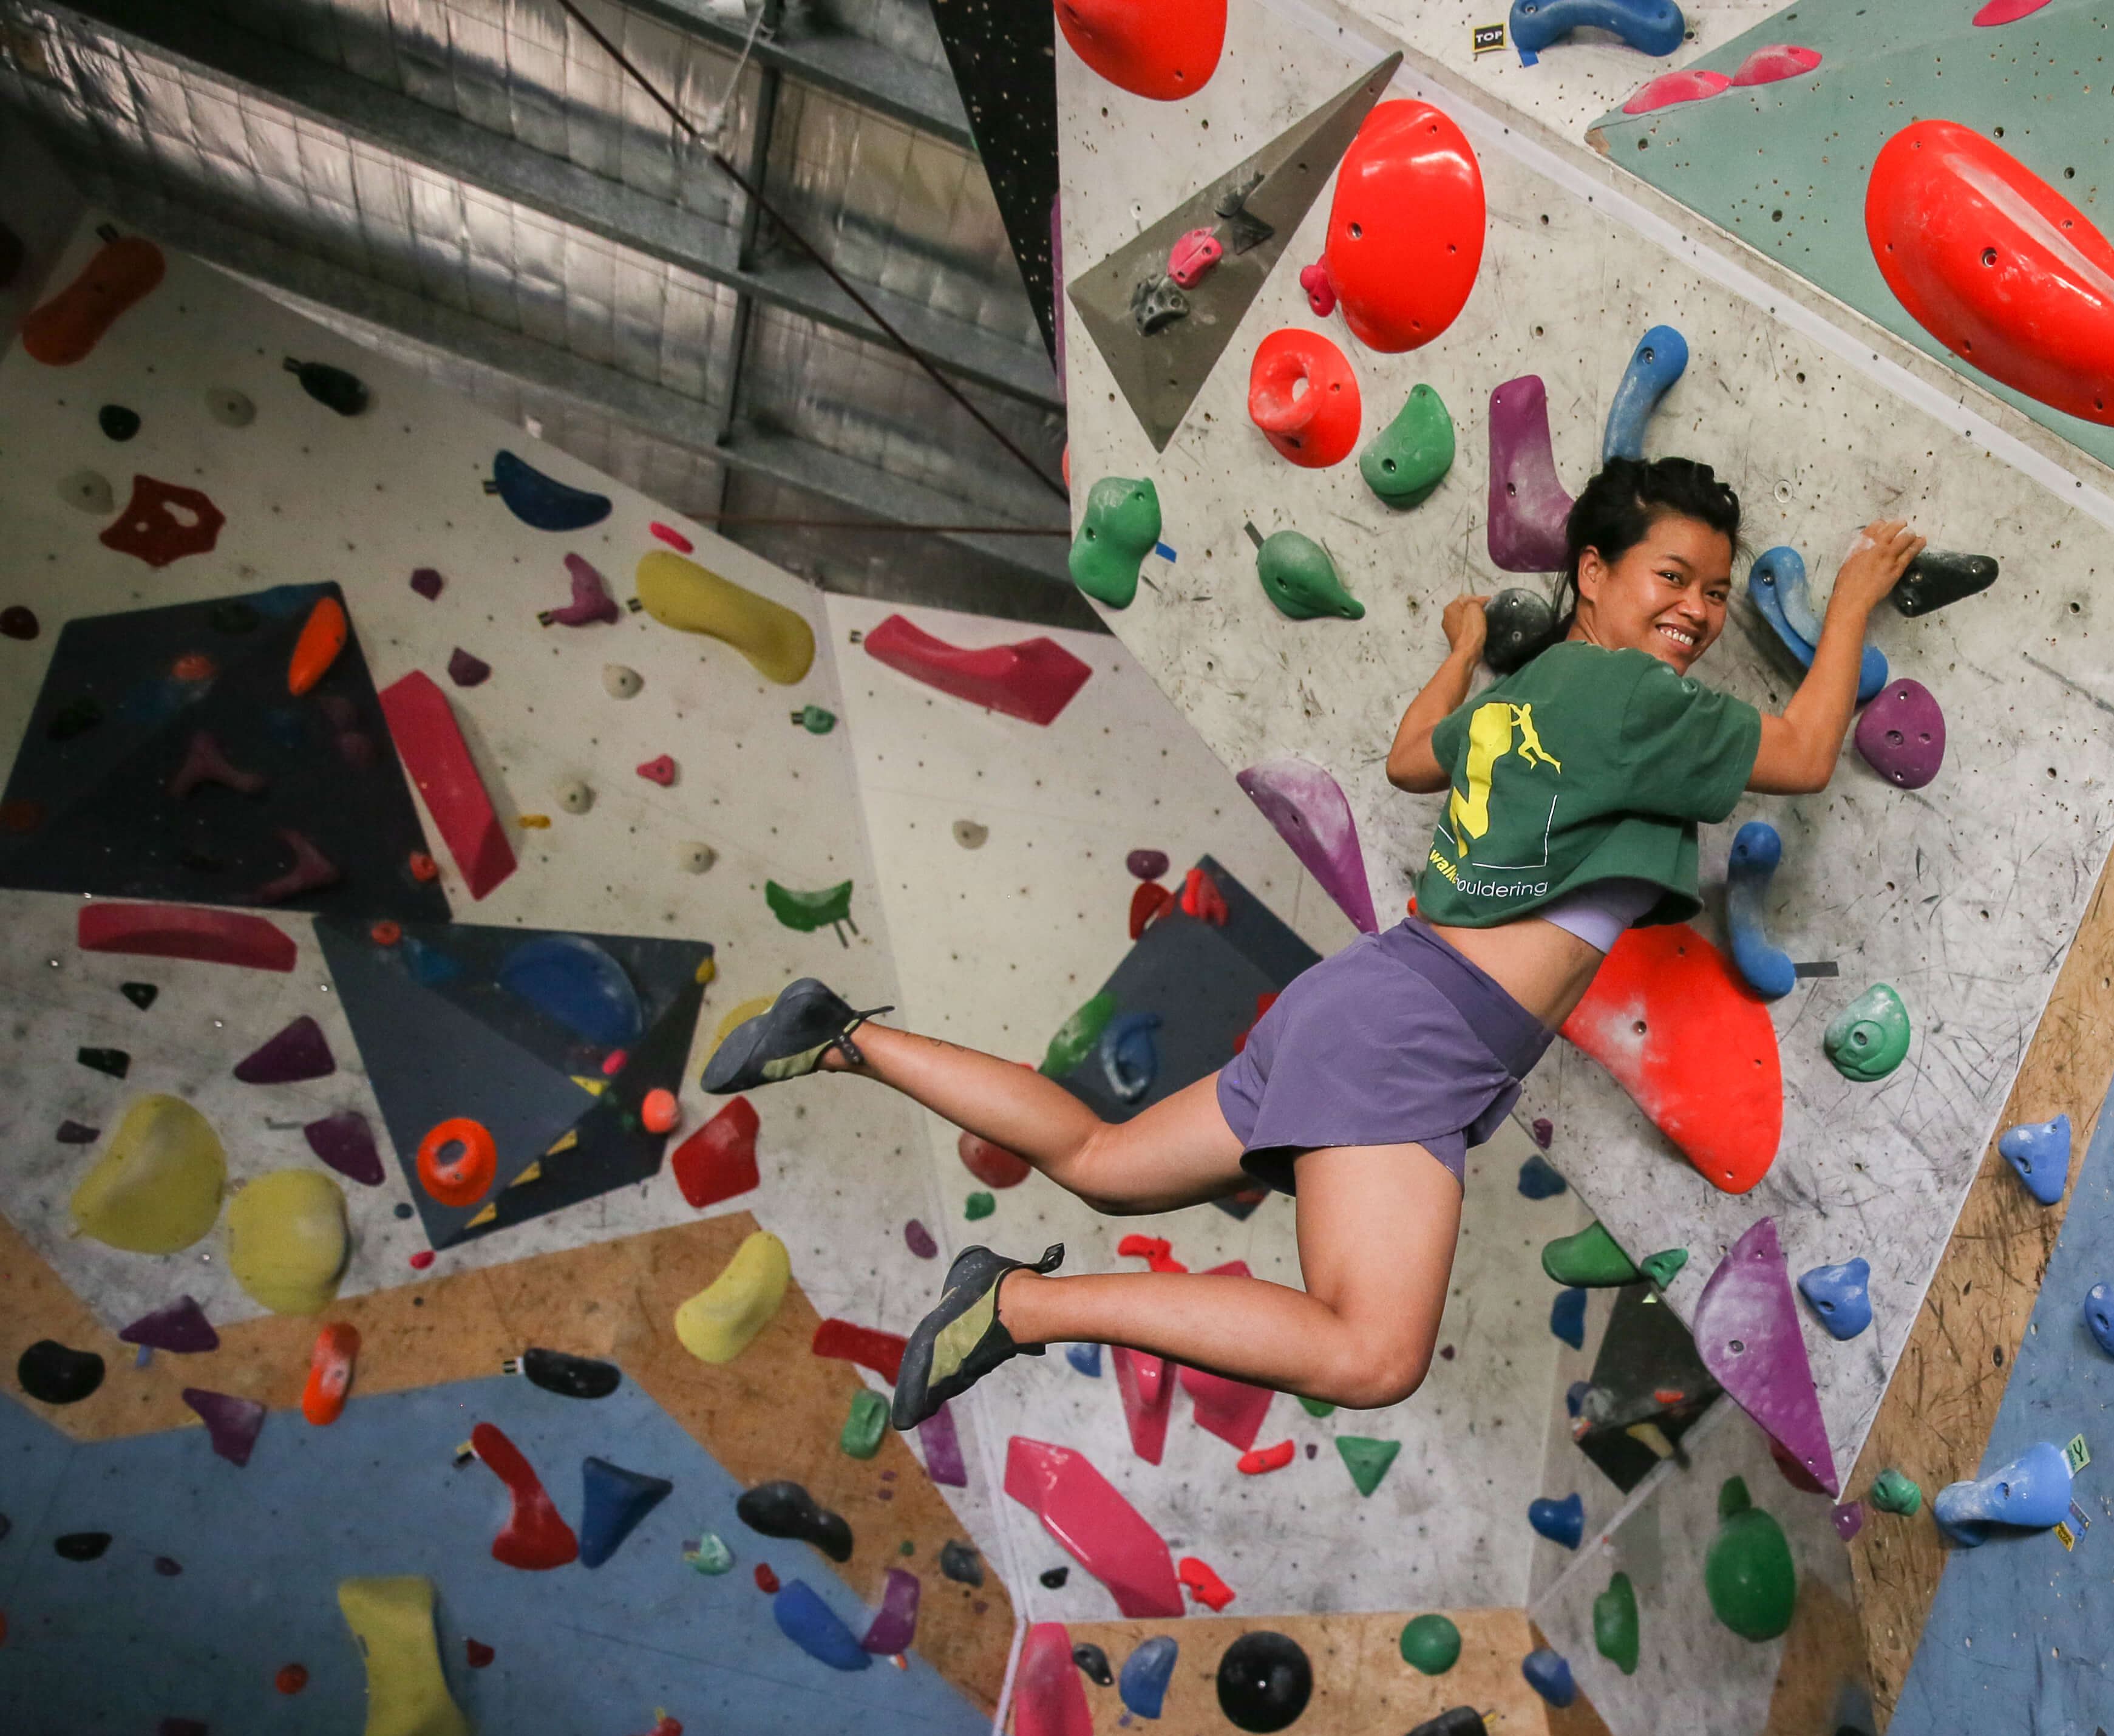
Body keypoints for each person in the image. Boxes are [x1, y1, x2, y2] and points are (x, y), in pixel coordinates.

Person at [696, 455, 1922, 1432]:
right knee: (1370, 1355)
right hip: (1414, 1036)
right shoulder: (1641, 701)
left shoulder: (1525, 697)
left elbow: (1403, 759)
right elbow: (1804, 756)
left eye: (1716, 590)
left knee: (1101, 1151)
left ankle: (843, 1036)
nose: (1702, 612)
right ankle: (1019, 1306)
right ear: (1593, 572)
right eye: (1674, 578)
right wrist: (1857, 591)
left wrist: (1459, 654)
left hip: (1373, 997)